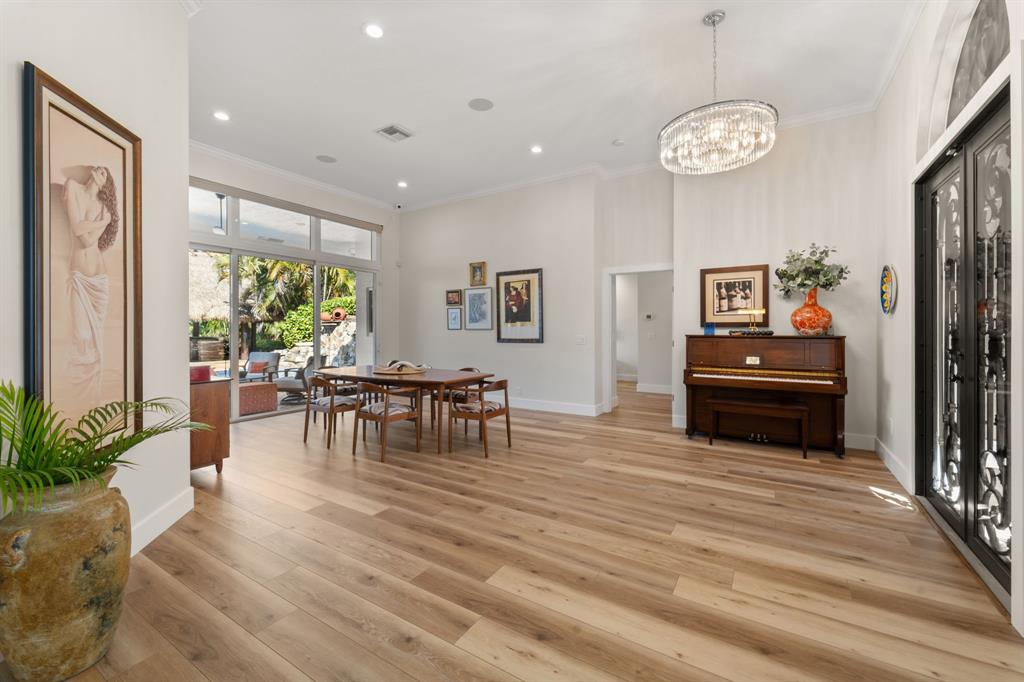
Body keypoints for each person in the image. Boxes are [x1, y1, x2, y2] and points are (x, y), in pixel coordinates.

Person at [63, 165, 118, 395]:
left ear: (106, 183)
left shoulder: (103, 207)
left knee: (97, 340)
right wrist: (103, 222)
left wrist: (92, 226)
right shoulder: (72, 188)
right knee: (82, 335)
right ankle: (77, 392)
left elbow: (87, 240)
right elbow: (78, 230)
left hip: (99, 279)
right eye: (98, 169)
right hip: (79, 275)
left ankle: (91, 397)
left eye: (104, 172)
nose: (99, 170)